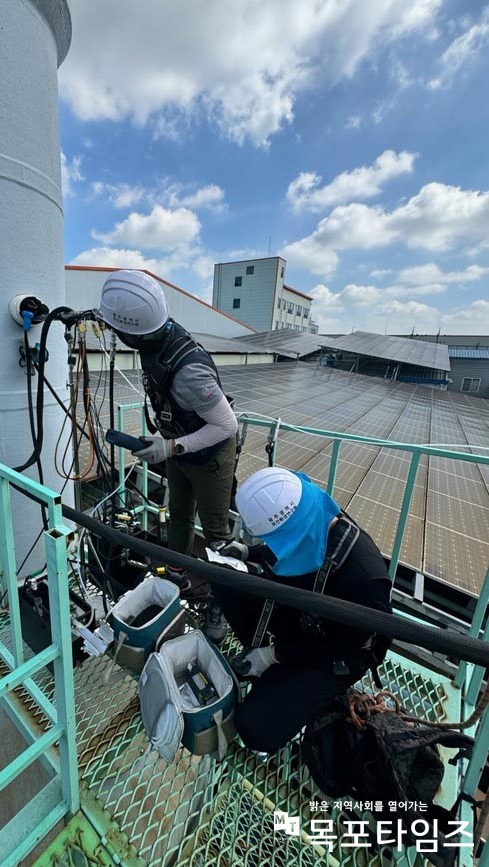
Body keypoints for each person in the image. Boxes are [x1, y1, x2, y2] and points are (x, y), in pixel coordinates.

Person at [213, 466, 392, 756]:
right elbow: (277, 550)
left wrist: (275, 654)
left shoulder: (366, 581)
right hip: (300, 615)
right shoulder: (310, 522)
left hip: (335, 651)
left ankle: (290, 686)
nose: (269, 547)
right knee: (225, 579)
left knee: (255, 727)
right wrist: (248, 553)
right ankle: (264, 665)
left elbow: (343, 645)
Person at [98, 269, 238, 640]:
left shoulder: (188, 370)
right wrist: (165, 438)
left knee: (217, 537)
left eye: (120, 333)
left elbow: (227, 426)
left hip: (209, 458)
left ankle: (219, 606)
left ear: (135, 332)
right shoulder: (158, 343)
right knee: (178, 516)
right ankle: (175, 577)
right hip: (180, 447)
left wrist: (172, 446)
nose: (118, 337)